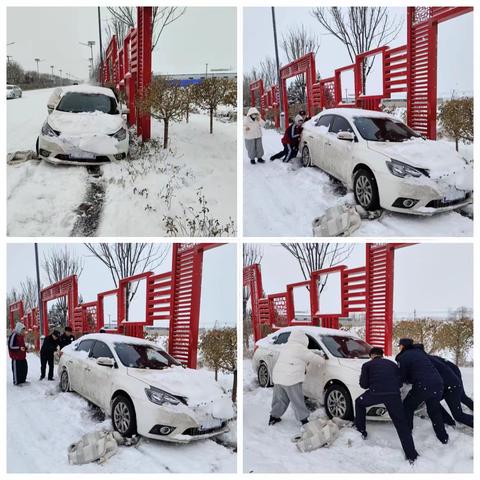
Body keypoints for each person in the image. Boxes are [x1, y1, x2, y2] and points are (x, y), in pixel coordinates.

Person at [354, 347, 418, 463]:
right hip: (393, 395)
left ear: (372, 355)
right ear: (382, 355)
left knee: (359, 402)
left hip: (375, 393)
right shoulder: (392, 364)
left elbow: (363, 384)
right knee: (401, 424)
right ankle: (411, 455)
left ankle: (361, 430)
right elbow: (399, 383)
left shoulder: (367, 365)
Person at [396, 338, 448, 444]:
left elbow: (402, 375)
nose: (399, 348)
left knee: (407, 406)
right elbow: (420, 369)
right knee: (434, 410)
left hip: (423, 385)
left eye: (400, 346)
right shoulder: (420, 352)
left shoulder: (403, 356)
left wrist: (396, 384)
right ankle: (443, 437)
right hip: (438, 383)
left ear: (403, 346)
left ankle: (407, 431)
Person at [269, 329, 325, 426]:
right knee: (297, 400)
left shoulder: (286, 346)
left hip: (278, 377)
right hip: (291, 378)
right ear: (303, 339)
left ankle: (273, 417)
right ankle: (304, 420)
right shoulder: (300, 348)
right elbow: (314, 358)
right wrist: (322, 359)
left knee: (279, 399)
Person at [414, 344, 473, 428]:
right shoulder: (431, 358)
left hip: (451, 383)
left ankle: (450, 421)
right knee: (435, 400)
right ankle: (448, 421)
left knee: (458, 412)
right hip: (451, 380)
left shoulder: (426, 361)